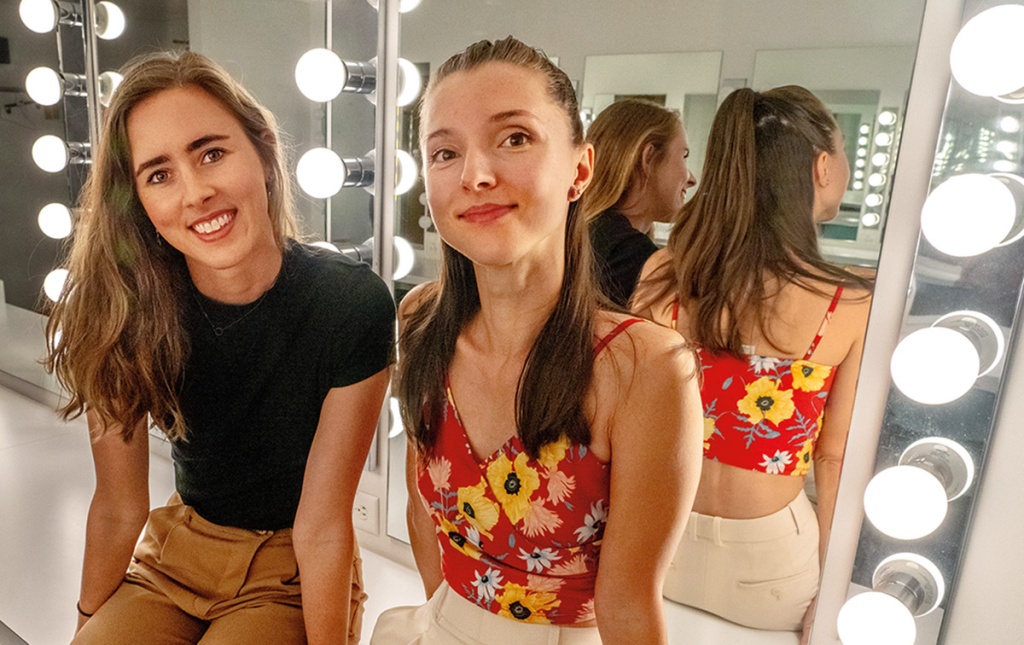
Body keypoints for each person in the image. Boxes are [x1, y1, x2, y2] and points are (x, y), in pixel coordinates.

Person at [44, 50, 395, 645]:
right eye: (159, 175)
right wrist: (86, 626)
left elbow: (322, 525)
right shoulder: (121, 310)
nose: (196, 192)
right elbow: (119, 506)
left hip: (289, 566)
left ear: (263, 153)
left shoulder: (349, 304)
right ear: (137, 202)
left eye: (211, 153)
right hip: (174, 551)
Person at [370, 37, 703, 645]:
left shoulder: (644, 367)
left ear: (581, 170)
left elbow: (629, 604)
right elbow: (424, 516)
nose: (475, 175)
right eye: (445, 152)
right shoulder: (420, 320)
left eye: (515, 138)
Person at [632, 86, 873, 641]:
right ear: (821, 167)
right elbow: (833, 458)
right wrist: (837, 587)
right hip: (771, 565)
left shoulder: (664, 275)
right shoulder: (848, 301)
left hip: (660, 542)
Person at [580, 98, 697, 307]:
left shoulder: (582, 234)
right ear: (648, 158)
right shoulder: (631, 259)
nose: (692, 179)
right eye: (684, 156)